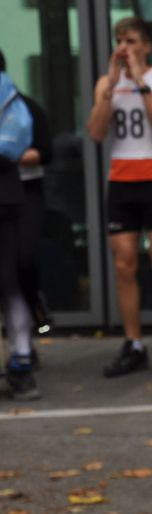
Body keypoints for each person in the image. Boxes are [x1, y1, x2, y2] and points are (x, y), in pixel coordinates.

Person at [86, 17, 152, 378]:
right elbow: (96, 132)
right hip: (122, 181)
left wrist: (141, 82)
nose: (123, 48)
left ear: (145, 46)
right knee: (124, 265)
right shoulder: (107, 82)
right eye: (119, 41)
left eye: (130, 41)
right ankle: (134, 343)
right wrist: (112, 88)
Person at [2, 49, 55, 347]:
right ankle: (20, 345)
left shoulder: (24, 108)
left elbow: (45, 152)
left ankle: (34, 310)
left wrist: (7, 155)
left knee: (22, 259)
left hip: (25, 192)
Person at [0, 58, 38, 401]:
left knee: (8, 282)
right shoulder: (10, 92)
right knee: (8, 282)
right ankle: (22, 364)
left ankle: (22, 365)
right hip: (7, 193)